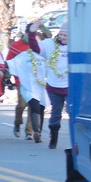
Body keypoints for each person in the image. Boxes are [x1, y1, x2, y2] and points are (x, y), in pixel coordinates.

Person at [28, 21, 68, 149]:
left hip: (70, 86)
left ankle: (76, 139)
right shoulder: (50, 44)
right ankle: (53, 136)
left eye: (66, 35)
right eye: (61, 34)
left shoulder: (76, 46)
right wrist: (32, 32)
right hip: (54, 85)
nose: (62, 37)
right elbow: (35, 47)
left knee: (73, 111)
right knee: (56, 112)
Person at [7, 22, 49, 143]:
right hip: (22, 80)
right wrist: (8, 78)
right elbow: (10, 62)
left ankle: (30, 131)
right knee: (21, 105)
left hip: (37, 82)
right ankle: (17, 122)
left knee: (33, 106)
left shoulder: (39, 46)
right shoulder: (16, 46)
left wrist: (43, 27)